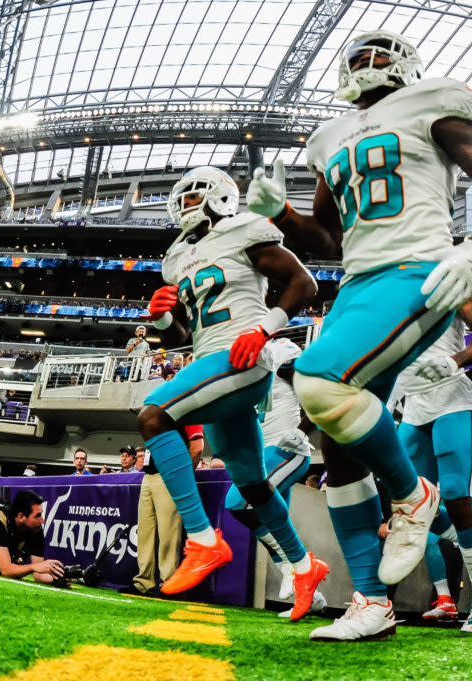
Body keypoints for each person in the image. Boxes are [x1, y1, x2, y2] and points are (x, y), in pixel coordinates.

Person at [245, 30, 472, 641]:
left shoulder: (431, 103)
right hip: (358, 285)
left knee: (318, 379)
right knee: (337, 448)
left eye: (381, 54)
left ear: (407, 65)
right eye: (358, 56)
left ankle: (410, 493)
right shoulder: (329, 139)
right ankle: (371, 603)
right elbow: (330, 237)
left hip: (417, 269)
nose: (367, 64)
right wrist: (279, 215)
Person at [136, 164, 326, 620]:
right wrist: (163, 320)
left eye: (193, 194)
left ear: (219, 196)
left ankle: (203, 541)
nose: (184, 204)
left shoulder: (243, 229)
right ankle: (303, 566)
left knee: (153, 417)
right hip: (210, 360)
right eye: (180, 197)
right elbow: (186, 331)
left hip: (242, 356)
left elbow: (305, 283)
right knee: (254, 485)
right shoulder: (178, 255)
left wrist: (264, 329)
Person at [388, 297, 472, 633]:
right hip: (413, 405)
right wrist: (387, 400)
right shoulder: (391, 290)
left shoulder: (449, 285)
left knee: (455, 494)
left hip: (452, 396)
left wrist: (454, 362)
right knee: (413, 502)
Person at [223, 338, 326, 619]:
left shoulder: (279, 352)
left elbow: (315, 391)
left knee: (237, 503)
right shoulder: (251, 370)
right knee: (277, 523)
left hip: (286, 449)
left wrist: (304, 430)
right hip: (266, 452)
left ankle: (298, 566)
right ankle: (311, 597)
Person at [127, 426, 205, 597]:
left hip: (169, 476)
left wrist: (182, 477)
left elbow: (197, 447)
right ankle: (143, 582)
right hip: (148, 476)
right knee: (145, 534)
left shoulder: (185, 412)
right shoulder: (159, 415)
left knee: (168, 534)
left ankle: (168, 584)